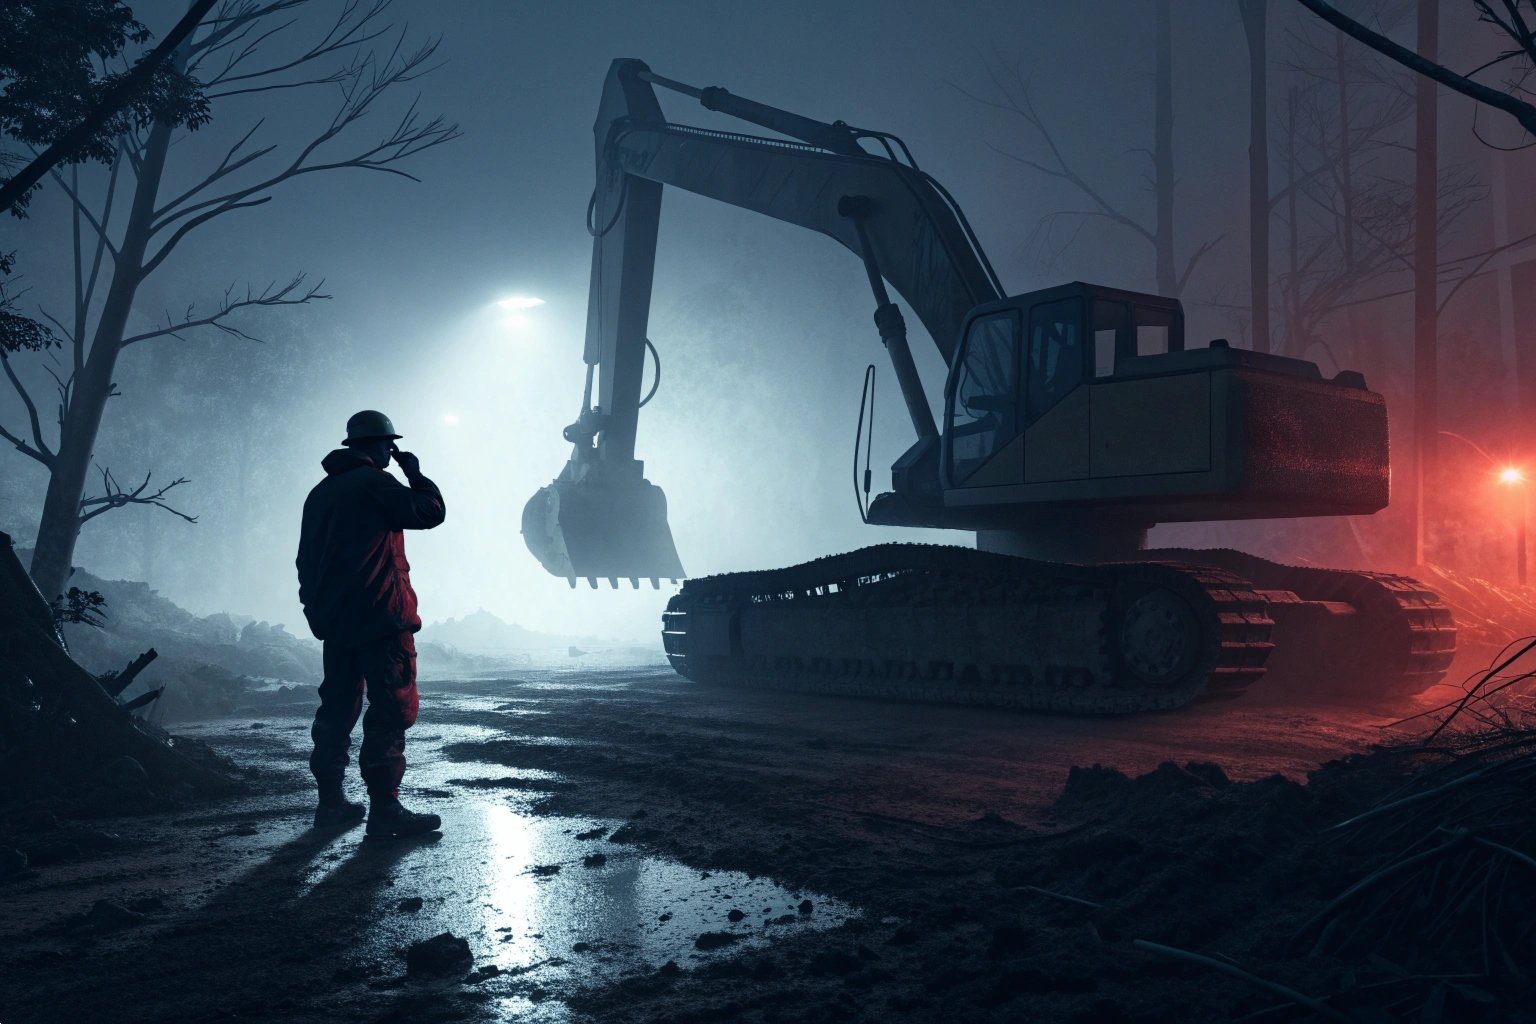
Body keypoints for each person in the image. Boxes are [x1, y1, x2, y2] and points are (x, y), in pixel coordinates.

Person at [296, 410, 446, 837]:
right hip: (381, 619)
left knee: (337, 711)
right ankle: (385, 811)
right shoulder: (376, 484)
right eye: (389, 444)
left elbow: (305, 560)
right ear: (376, 445)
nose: (391, 450)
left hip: (338, 622)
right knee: (390, 710)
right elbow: (430, 512)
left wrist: (316, 610)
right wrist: (415, 473)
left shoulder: (320, 493)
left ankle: (331, 805)